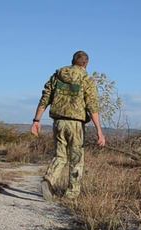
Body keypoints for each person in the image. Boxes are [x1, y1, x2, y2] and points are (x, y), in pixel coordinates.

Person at [31, 50, 106, 200]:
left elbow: (45, 98)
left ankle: (49, 179)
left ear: (72, 61)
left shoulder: (57, 76)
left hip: (58, 122)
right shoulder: (86, 79)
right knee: (77, 159)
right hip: (76, 124)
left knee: (60, 155)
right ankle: (71, 195)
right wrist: (99, 131)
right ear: (86, 63)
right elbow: (92, 106)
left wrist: (36, 121)